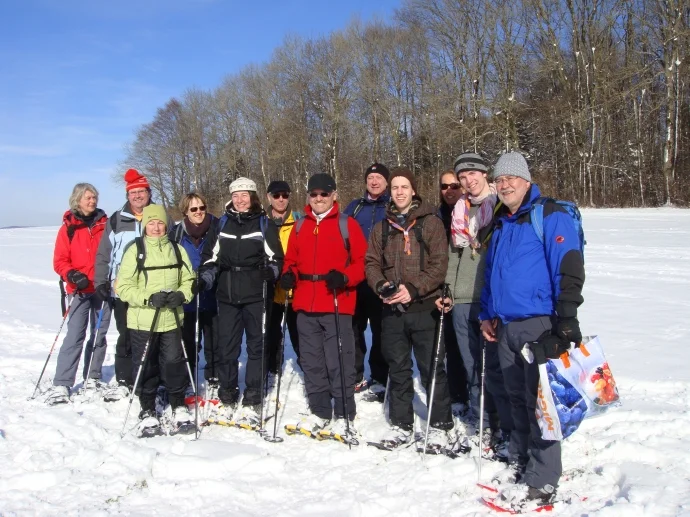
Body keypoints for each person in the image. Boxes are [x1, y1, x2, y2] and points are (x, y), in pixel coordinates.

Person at [479, 152, 585, 505]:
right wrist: (487, 314)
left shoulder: (548, 215)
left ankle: (543, 479)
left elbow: (568, 267)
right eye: (499, 179)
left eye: (510, 178)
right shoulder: (502, 222)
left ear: (526, 180)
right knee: (517, 399)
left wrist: (566, 320)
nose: (504, 184)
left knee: (543, 404)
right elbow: (491, 275)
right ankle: (521, 460)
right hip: (506, 326)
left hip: (540, 323)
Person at [365, 168, 453, 448]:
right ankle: (401, 423)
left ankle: (440, 423)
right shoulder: (382, 227)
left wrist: (414, 288)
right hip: (392, 310)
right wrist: (381, 285)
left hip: (424, 307)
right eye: (395, 188)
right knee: (398, 368)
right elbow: (371, 263)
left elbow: (439, 264)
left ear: (413, 190)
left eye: (404, 187)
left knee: (432, 368)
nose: (399, 192)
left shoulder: (431, 223)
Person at [437, 153, 512, 458]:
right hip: (462, 298)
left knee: (493, 365)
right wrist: (449, 290)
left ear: (484, 174)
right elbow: (455, 255)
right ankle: (482, 418)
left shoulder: (501, 206)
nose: (469, 181)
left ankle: (501, 420)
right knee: (470, 364)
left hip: (491, 300)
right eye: (463, 176)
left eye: (473, 174)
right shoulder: (460, 210)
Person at [280, 173, 367, 437]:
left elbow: (362, 263)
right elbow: (291, 261)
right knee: (311, 360)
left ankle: (343, 412)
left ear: (334, 195)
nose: (319, 198)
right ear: (308, 196)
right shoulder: (299, 226)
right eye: (314, 194)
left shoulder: (347, 224)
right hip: (305, 303)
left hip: (336, 301)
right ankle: (320, 410)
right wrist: (288, 275)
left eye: (324, 194)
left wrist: (345, 277)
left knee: (339, 359)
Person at [198, 177, 284, 425]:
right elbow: (210, 257)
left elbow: (277, 258)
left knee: (257, 347)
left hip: (256, 294)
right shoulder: (222, 223)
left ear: (253, 197)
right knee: (227, 347)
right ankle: (227, 395)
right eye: (235, 196)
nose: (240, 200)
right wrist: (205, 279)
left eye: (244, 195)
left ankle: (253, 398)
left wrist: (272, 272)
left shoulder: (263, 223)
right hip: (226, 294)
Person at [115, 205, 196, 436]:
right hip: (143, 320)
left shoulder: (177, 249)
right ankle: (147, 408)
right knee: (146, 364)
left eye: (160, 223)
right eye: (151, 223)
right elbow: (123, 287)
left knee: (173, 362)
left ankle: (178, 405)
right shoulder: (135, 250)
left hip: (172, 319)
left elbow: (189, 279)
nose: (156, 227)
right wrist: (149, 298)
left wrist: (182, 295)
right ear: (145, 226)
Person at [46, 183, 111, 405]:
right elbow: (60, 261)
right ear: (77, 200)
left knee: (99, 334)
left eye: (94, 197)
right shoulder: (68, 228)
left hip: (101, 288)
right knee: (75, 335)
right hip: (79, 290)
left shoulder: (105, 224)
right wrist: (72, 275)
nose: (92, 201)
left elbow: (114, 253)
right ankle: (62, 382)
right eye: (88, 198)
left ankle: (92, 376)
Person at [94, 168, 153, 402]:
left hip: (151, 289)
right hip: (123, 289)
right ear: (128, 195)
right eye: (133, 192)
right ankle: (124, 380)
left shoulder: (158, 216)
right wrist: (101, 281)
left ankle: (150, 379)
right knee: (126, 335)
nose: (137, 196)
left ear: (149, 193)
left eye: (141, 191)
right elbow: (104, 253)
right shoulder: (117, 219)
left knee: (152, 336)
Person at [343, 163, 390, 398]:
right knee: (354, 327)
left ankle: (380, 376)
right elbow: (341, 235)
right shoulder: (355, 207)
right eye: (370, 177)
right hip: (357, 277)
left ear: (386, 182)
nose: (374, 181)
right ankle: (355, 375)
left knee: (382, 329)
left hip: (382, 277)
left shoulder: (392, 205)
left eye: (379, 177)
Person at [168, 193, 220, 393]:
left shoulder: (217, 227)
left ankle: (214, 375)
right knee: (189, 340)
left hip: (213, 293)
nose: (199, 212)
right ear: (185, 212)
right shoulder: (176, 234)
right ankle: (189, 376)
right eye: (193, 209)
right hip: (188, 296)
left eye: (202, 207)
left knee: (214, 339)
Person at [436, 169, 469, 409]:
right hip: (442, 285)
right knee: (449, 341)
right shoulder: (435, 216)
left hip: (466, 287)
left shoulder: (472, 212)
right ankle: (457, 392)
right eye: (444, 186)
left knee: (467, 343)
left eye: (455, 185)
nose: (449, 190)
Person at [265, 180, 303, 375]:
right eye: (276, 195)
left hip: (293, 288)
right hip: (270, 289)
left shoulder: (299, 222)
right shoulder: (261, 223)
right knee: (271, 331)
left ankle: (307, 366)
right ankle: (272, 365)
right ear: (269, 197)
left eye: (285, 195)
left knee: (299, 332)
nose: (281, 199)